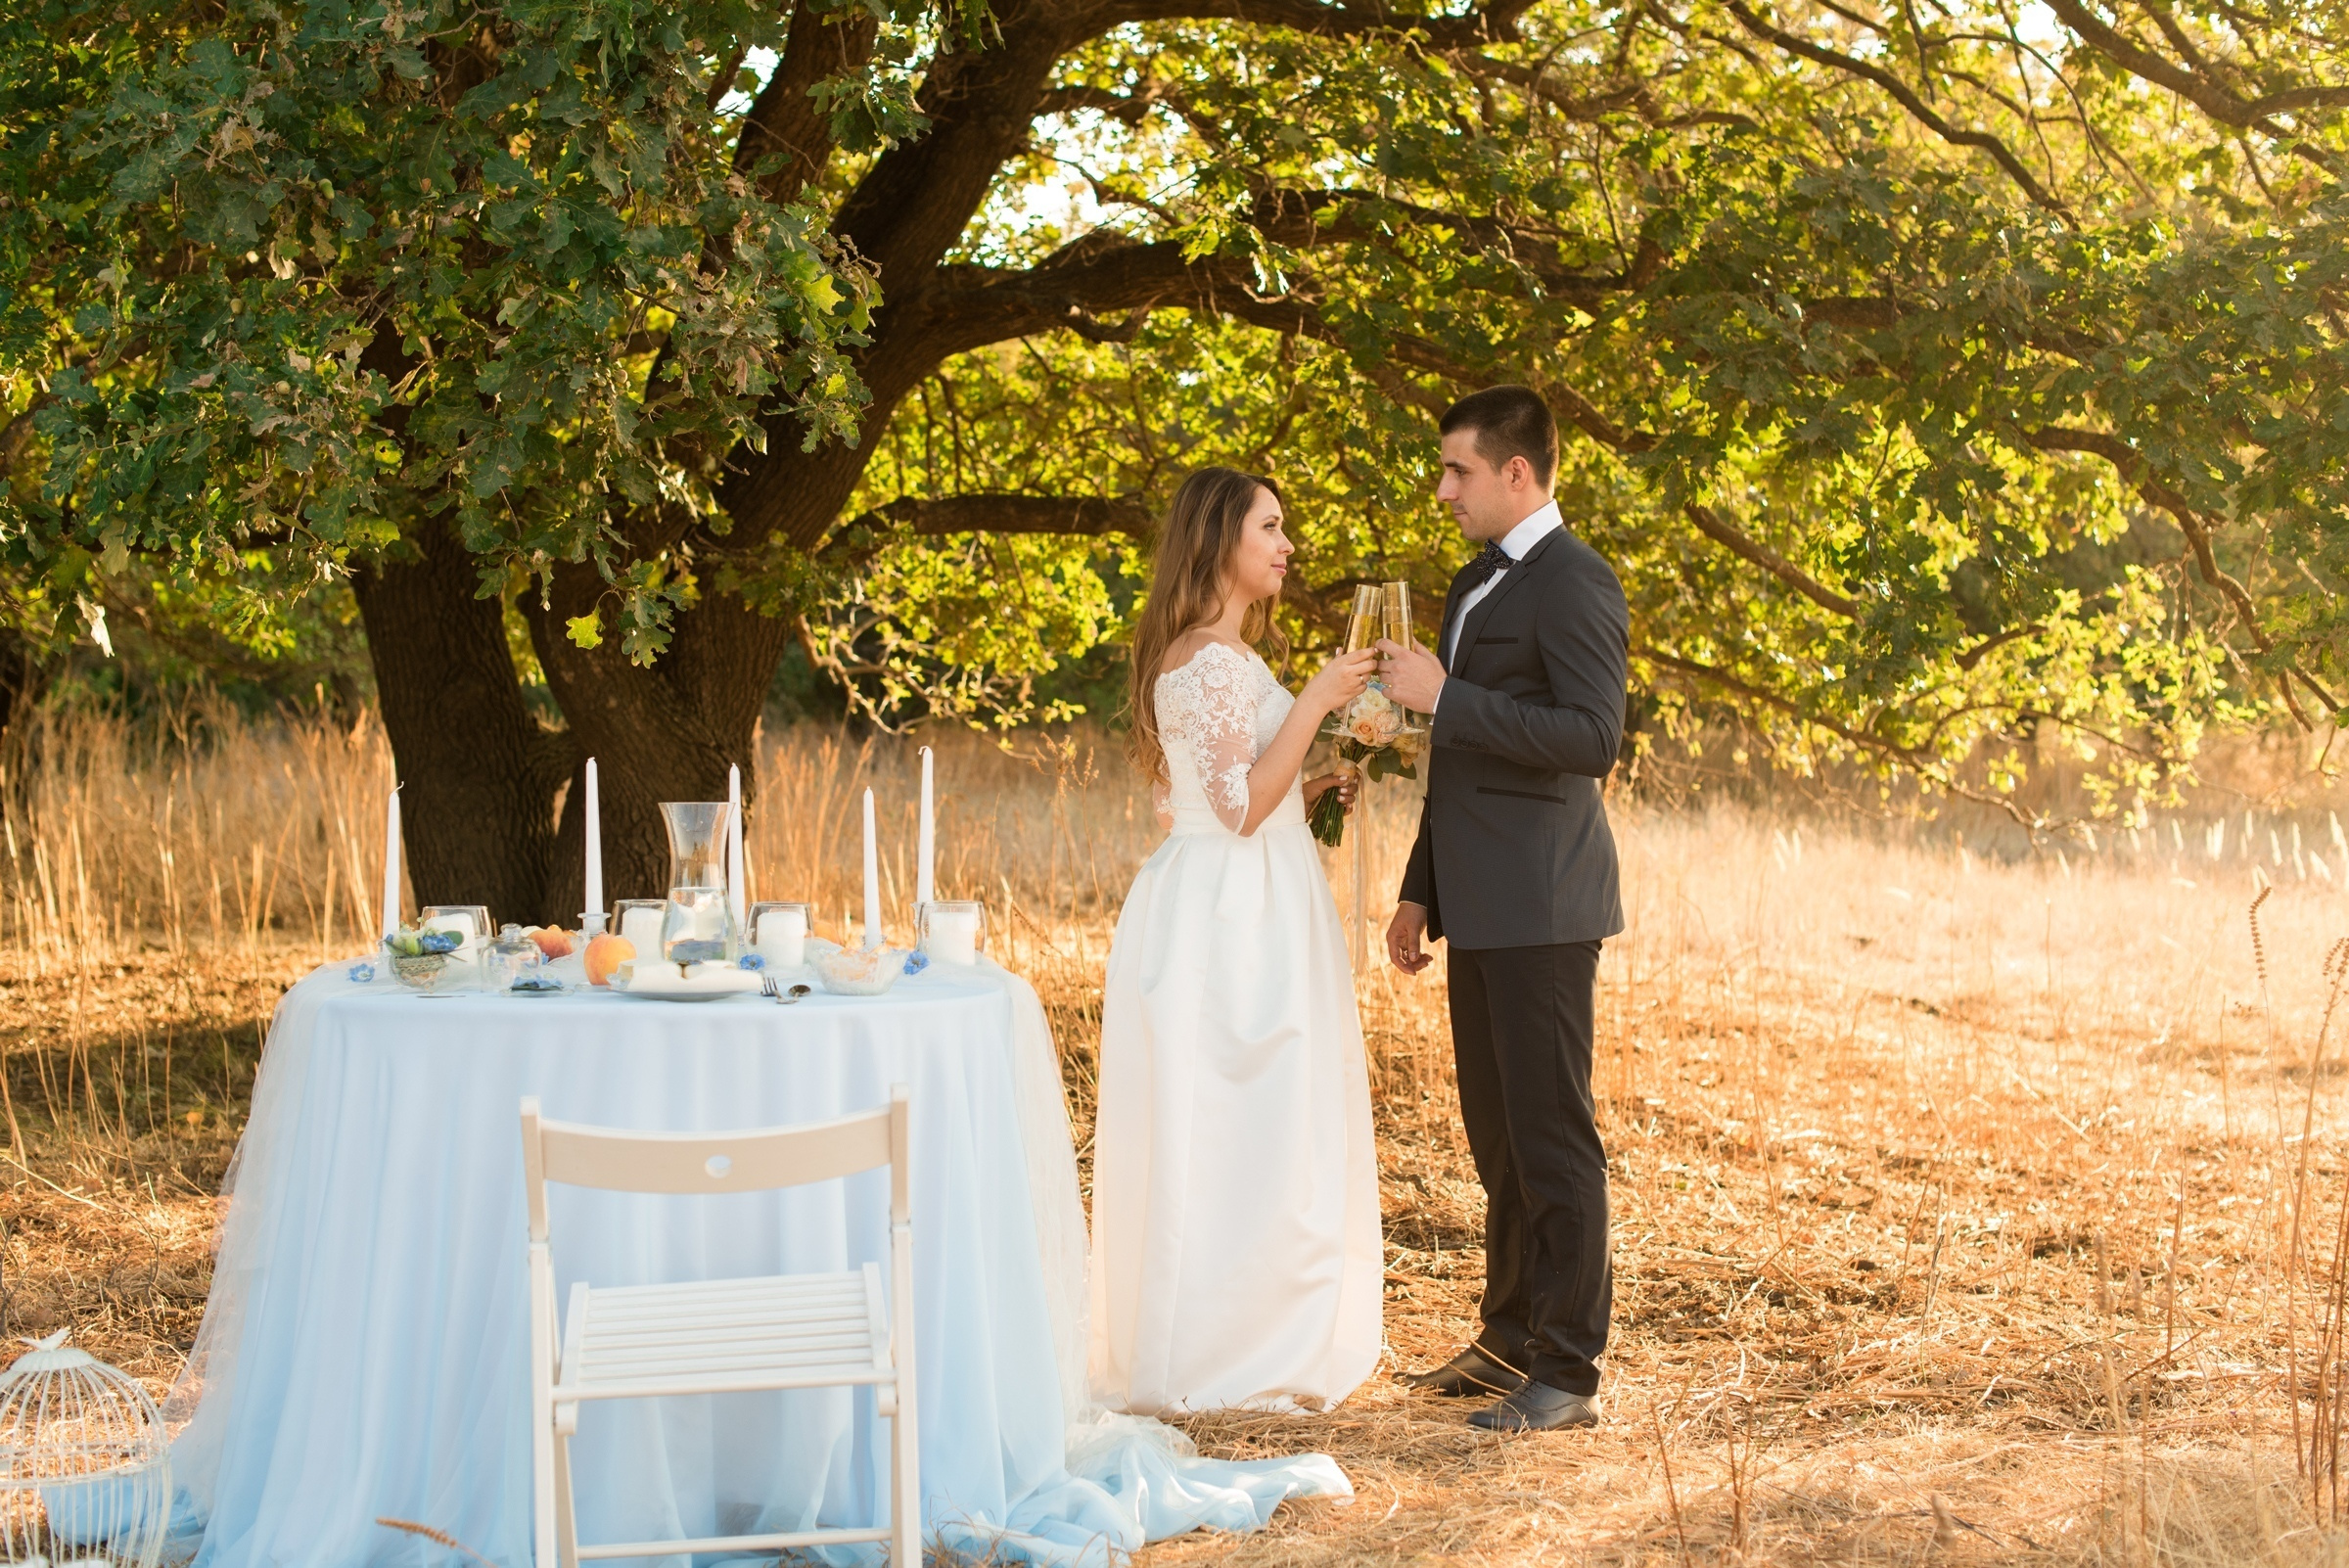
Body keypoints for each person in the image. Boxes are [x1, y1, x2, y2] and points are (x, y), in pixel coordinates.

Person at [1088, 466, 1386, 1414]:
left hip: (1256, 895)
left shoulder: (1230, 658)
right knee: (1223, 1120)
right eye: (1271, 526)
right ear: (1220, 542)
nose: (1287, 544)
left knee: (1267, 1125)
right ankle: (1217, 1352)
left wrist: (1317, 779)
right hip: (1226, 919)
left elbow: (1249, 795)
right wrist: (1322, 701)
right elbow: (1234, 808)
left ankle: (1260, 1329)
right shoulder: (1207, 660)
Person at [1375, 386, 1629, 1432]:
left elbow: (1589, 739)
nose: (1444, 491)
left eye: (1458, 471)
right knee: (1499, 1141)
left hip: (1546, 900)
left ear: (1516, 473)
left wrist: (1452, 698)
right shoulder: (1473, 581)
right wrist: (1417, 888)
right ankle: (1507, 1340)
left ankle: (1568, 1370)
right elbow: (1455, 756)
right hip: (1475, 902)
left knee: (1552, 1136)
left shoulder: (1577, 581)